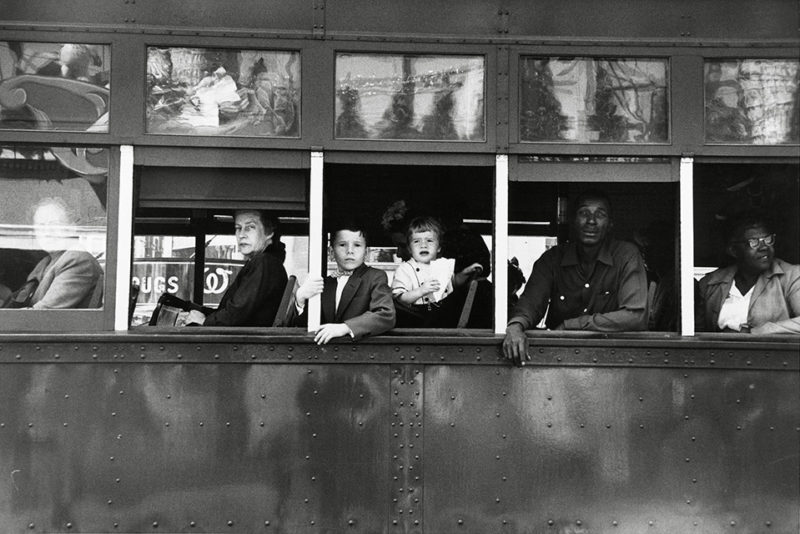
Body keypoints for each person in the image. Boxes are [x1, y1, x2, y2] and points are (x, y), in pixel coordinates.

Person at [503, 190, 649, 365]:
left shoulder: (626, 256)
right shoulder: (552, 259)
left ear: (610, 224)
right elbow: (530, 304)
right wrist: (515, 326)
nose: (591, 221)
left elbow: (635, 316)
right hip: (558, 359)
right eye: (584, 213)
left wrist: (570, 325)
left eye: (600, 215)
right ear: (573, 221)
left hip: (612, 360)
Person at [289, 224, 395, 344]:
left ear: (366, 251)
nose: (350, 251)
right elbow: (302, 326)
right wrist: (300, 299)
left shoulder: (375, 276)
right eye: (342, 245)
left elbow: (385, 315)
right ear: (331, 251)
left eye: (357, 245)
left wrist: (344, 327)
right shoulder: (325, 283)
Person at [696, 212, 799, 334]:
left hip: (769, 352)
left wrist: (762, 331)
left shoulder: (791, 276)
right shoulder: (710, 284)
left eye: (768, 239)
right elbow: (697, 333)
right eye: (753, 242)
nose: (764, 247)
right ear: (734, 251)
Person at [183, 210, 287, 326]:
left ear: (269, 232)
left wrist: (204, 321)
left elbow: (237, 312)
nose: (241, 235)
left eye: (249, 227)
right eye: (238, 228)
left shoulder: (264, 262)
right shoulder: (265, 262)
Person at [11, 197, 104, 309]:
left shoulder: (77, 260)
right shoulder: (45, 262)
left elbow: (43, 313)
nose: (47, 232)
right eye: (41, 226)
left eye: (54, 224)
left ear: (72, 228)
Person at [391, 216, 482, 327]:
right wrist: (421, 290)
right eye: (416, 241)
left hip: (442, 315)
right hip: (416, 317)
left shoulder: (442, 265)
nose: (423, 245)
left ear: (438, 247)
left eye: (429, 240)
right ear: (409, 248)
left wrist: (465, 273)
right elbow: (401, 299)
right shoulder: (405, 269)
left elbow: (452, 283)